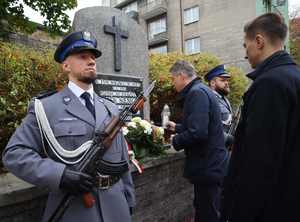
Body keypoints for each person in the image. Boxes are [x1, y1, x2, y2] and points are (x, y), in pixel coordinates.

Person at [2, 31, 135, 222]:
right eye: (82, 57)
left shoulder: (110, 107)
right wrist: (60, 175)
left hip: (117, 206)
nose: (91, 61)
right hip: (75, 209)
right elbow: (14, 154)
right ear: (66, 65)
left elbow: (122, 160)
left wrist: (128, 199)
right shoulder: (46, 107)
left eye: (93, 57)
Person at [222, 13, 300, 222]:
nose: (245, 54)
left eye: (245, 45)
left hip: (271, 208)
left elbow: (260, 162)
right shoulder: (294, 76)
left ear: (259, 41)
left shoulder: (270, 84)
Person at [166, 60, 228, 222]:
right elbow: (199, 125)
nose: (173, 84)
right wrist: (177, 127)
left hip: (207, 166)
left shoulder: (196, 93)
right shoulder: (201, 90)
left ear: (181, 76)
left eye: (173, 79)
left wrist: (175, 140)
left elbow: (198, 133)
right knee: (207, 210)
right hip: (211, 165)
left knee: (208, 214)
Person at [205, 65, 234, 148]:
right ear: (213, 83)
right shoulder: (208, 98)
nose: (227, 83)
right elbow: (207, 127)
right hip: (214, 148)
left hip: (225, 148)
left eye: (227, 80)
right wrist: (228, 139)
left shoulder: (224, 98)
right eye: (223, 80)